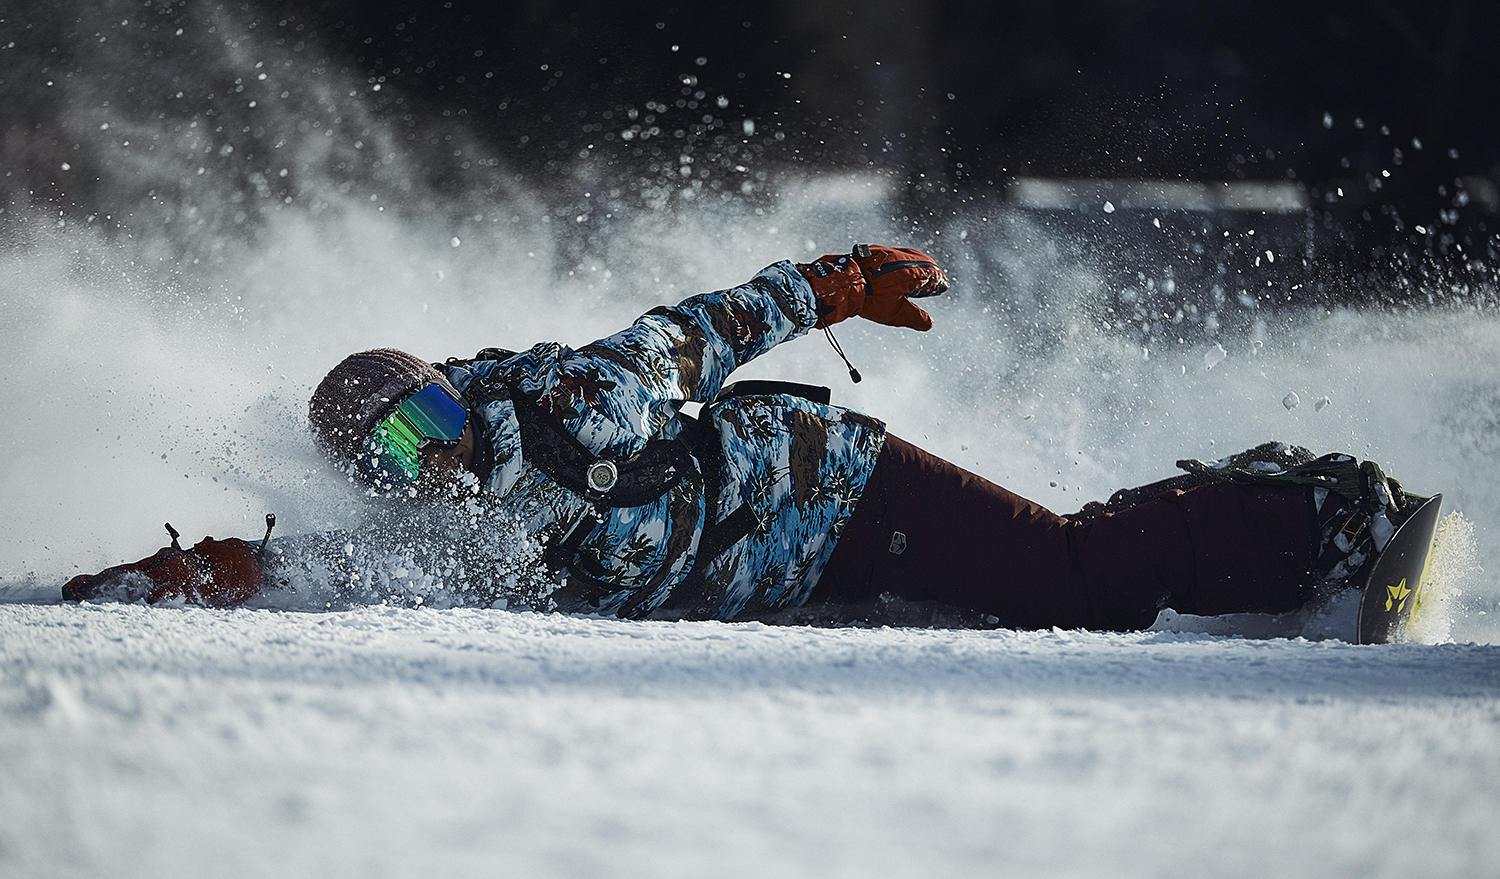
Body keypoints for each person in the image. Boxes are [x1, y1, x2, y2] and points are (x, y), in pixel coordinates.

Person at [61, 244, 1418, 630]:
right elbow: (323, 577)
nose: (433, 454)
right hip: (787, 581)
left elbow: (698, 329)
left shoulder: (568, 396)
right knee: (1049, 595)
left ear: (453, 391)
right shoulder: (435, 540)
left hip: (826, 492)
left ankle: (1321, 517)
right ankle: (1218, 532)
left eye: (430, 416)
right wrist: (204, 572)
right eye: (397, 455)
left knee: (1068, 582)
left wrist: (836, 286)